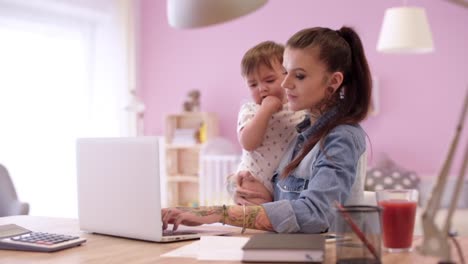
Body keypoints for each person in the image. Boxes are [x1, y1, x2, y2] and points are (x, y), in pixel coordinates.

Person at [162, 26, 371, 234]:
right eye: (285, 72)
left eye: (299, 76)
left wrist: (220, 213)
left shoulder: (342, 137)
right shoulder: (298, 133)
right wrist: (238, 186)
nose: (286, 84)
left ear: (333, 81)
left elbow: (315, 214)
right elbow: (281, 201)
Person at [228, 41, 305, 204]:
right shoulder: (251, 110)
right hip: (254, 179)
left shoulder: (300, 109)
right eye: (253, 84)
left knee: (278, 218)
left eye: (269, 80)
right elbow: (248, 143)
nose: (262, 88)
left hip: (288, 184)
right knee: (256, 218)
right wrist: (265, 111)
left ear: (287, 76)